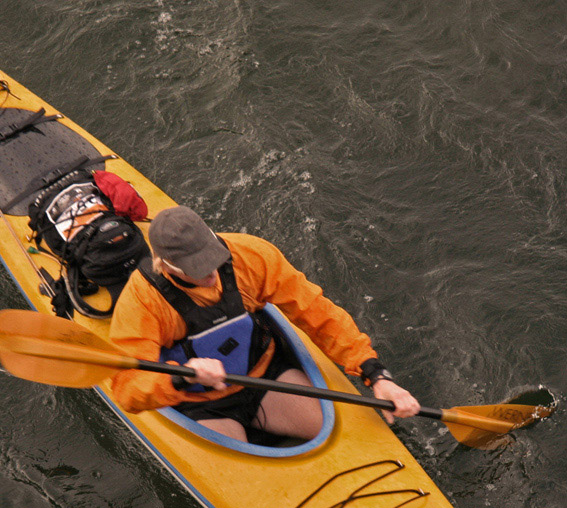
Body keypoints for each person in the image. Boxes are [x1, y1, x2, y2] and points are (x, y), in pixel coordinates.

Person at [109, 206, 420, 442]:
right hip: (199, 402)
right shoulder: (141, 301)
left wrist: (375, 374)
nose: (212, 274)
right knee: (237, 464)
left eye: (213, 259)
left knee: (339, 435)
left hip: (265, 376)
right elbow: (126, 388)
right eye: (198, 268)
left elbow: (316, 312)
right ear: (166, 265)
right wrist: (181, 378)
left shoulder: (251, 255)